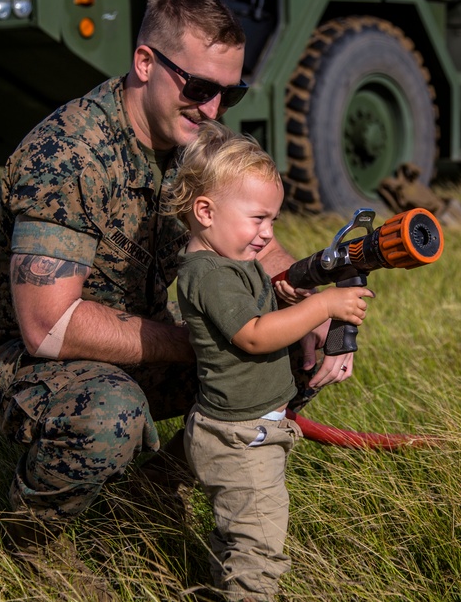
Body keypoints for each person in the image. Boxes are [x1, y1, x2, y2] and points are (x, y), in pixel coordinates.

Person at [0, 0, 357, 590]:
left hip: (139, 341)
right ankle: (29, 537)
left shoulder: (198, 142)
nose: (214, 109)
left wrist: (310, 310)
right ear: (146, 63)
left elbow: (257, 239)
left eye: (231, 91)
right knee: (111, 413)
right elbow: (49, 326)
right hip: (22, 361)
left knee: (290, 353)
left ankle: (154, 489)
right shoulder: (67, 154)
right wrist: (206, 341)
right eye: (199, 88)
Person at [161, 121, 373, 601]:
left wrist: (283, 298)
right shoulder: (209, 275)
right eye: (258, 219)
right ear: (205, 211)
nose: (267, 234)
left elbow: (257, 316)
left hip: (246, 430)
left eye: (273, 221)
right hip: (240, 440)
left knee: (235, 537)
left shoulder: (230, 262)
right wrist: (320, 307)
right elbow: (253, 338)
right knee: (260, 551)